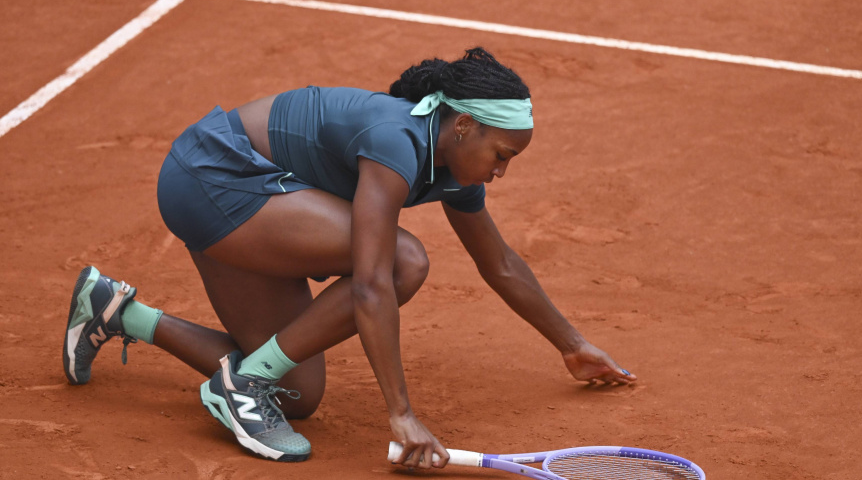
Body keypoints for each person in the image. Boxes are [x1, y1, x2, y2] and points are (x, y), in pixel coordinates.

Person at [62, 47, 636, 468]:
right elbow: (369, 283)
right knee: (401, 260)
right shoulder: (398, 142)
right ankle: (242, 383)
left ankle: (115, 310)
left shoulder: (454, 163)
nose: (502, 171)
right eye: (502, 154)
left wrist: (573, 346)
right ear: (464, 126)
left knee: (298, 392)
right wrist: (401, 414)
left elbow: (500, 263)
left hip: (256, 198)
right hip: (211, 177)